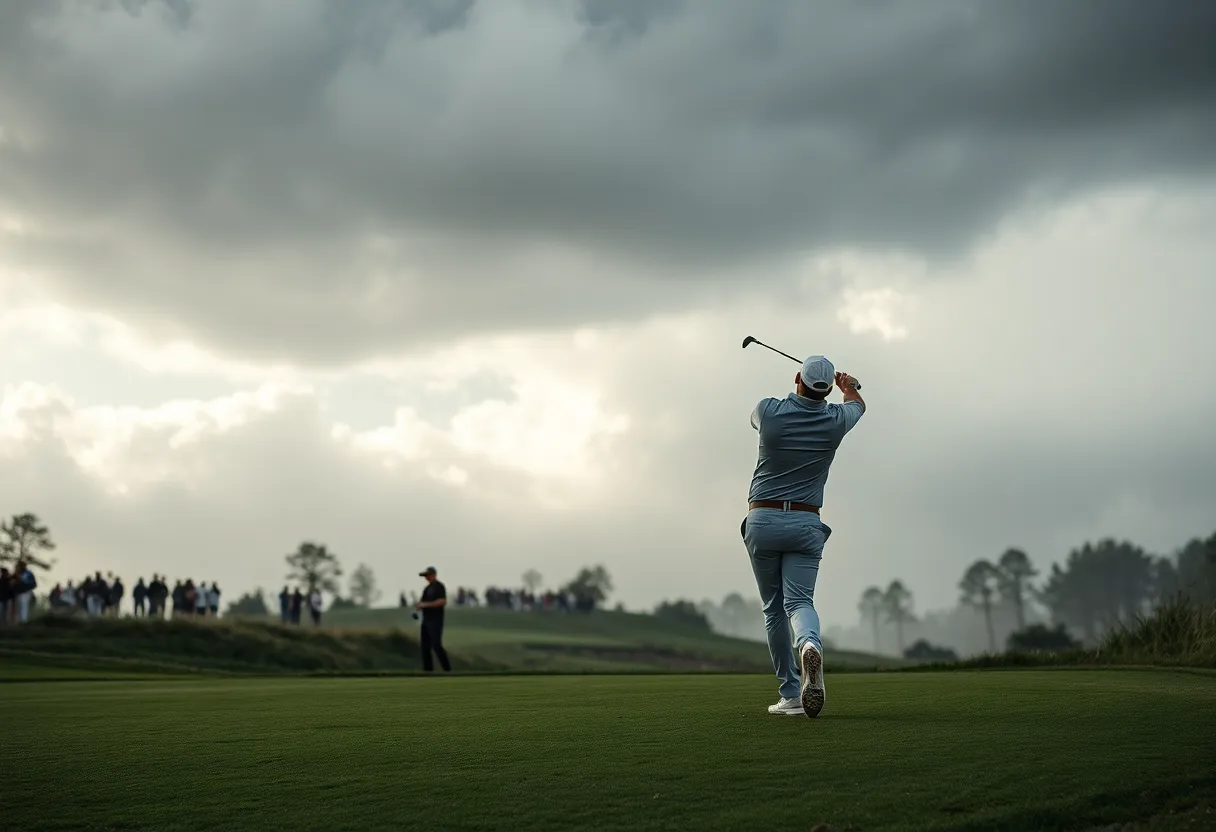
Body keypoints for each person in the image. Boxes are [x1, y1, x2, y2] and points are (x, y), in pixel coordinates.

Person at [742, 355, 865, 719]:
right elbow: (858, 405)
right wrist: (850, 386)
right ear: (827, 390)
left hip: (763, 519)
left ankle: (791, 693)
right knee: (799, 603)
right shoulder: (836, 420)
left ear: (797, 377)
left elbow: (754, 420)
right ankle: (809, 643)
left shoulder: (768, 411)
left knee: (773, 609)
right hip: (806, 524)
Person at [415, 566, 451, 673]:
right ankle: (428, 671)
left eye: (427, 575)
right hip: (426, 620)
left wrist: (426, 605)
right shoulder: (427, 589)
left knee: (436, 645)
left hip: (436, 620)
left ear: (433, 575)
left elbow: (442, 601)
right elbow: (423, 603)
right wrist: (419, 606)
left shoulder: (439, 587)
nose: (426, 578)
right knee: (425, 647)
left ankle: (447, 669)